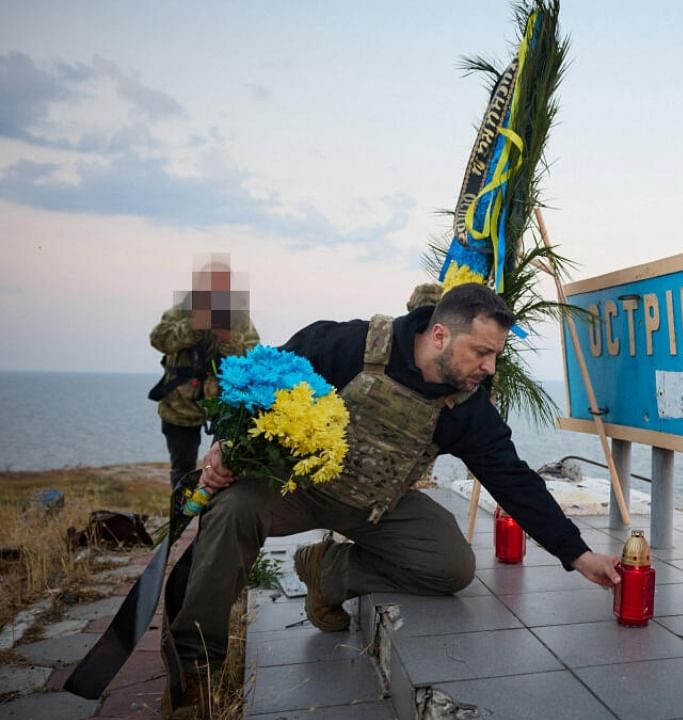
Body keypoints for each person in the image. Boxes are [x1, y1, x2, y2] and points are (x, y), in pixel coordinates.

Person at [163, 282, 620, 717]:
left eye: (495, 355)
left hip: (376, 504)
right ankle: (195, 668)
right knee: (230, 509)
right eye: (481, 352)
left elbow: (514, 480)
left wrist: (576, 554)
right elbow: (255, 382)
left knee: (451, 565)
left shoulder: (466, 408)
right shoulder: (347, 346)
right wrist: (225, 445)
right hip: (292, 488)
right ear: (440, 335)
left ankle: (328, 571)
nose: (489, 368)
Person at [149, 260, 258, 489]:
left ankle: (213, 515)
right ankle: (182, 513)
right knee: (182, 467)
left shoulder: (238, 318)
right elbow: (159, 340)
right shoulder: (180, 312)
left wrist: (228, 337)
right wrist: (194, 325)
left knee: (223, 465)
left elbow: (253, 358)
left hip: (224, 405)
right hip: (180, 406)